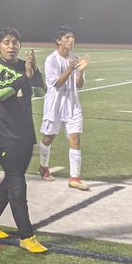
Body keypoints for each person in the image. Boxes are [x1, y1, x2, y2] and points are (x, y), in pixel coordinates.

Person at [0, 28, 48, 253]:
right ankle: (26, 236)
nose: (12, 46)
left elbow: (40, 92)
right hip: (3, 132)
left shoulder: (25, 67)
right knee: (18, 182)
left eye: (15, 42)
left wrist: (34, 71)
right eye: (7, 42)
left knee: (11, 178)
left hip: (25, 133)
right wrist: (23, 78)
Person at [39, 26, 91, 190]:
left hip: (72, 105)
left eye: (73, 37)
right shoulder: (51, 60)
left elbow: (79, 85)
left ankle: (74, 178)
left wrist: (80, 72)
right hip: (55, 105)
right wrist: (70, 68)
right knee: (48, 138)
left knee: (75, 138)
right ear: (58, 41)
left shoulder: (75, 58)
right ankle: (43, 166)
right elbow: (57, 83)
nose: (71, 40)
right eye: (68, 37)